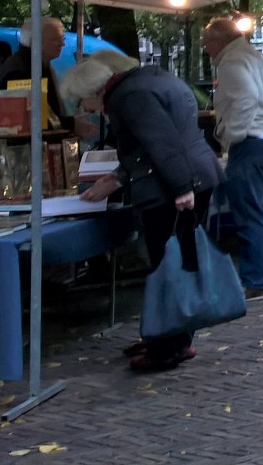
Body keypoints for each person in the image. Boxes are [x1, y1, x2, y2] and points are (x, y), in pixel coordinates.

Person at [65, 52, 223, 372]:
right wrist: (116, 179)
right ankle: (167, 336)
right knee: (179, 261)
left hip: (171, 186)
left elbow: (159, 142)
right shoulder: (151, 80)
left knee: (167, 265)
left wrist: (180, 188)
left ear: (94, 91)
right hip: (193, 174)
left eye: (83, 101)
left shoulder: (128, 97)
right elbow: (153, 144)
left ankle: (168, 347)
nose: (86, 109)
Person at [201, 17, 263, 300]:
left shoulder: (231, 63)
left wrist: (232, 135)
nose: (205, 49)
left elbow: (246, 98)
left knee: (249, 215)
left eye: (206, 43)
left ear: (218, 41)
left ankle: (256, 281)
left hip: (250, 144)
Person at [0, 16, 68, 129]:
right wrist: (71, 124)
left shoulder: (39, 66)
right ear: (35, 41)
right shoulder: (18, 72)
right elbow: (26, 121)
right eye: (55, 39)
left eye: (62, 39)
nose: (62, 44)